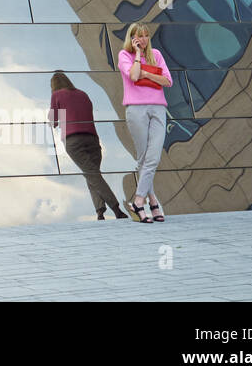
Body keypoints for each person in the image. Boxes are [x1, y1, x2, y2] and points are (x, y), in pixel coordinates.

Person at [48, 71, 126, 220]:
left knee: (92, 175)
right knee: (92, 174)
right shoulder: (83, 94)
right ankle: (100, 212)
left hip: (73, 140)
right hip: (92, 139)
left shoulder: (56, 95)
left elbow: (53, 122)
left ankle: (117, 210)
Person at [117, 24, 173, 222]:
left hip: (158, 108)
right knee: (143, 158)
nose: (144, 40)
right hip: (136, 109)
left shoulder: (156, 54)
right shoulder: (124, 55)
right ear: (132, 38)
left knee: (153, 157)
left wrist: (148, 74)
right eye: (139, 37)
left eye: (146, 36)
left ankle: (138, 201)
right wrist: (139, 56)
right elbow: (133, 76)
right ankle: (153, 200)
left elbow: (168, 81)